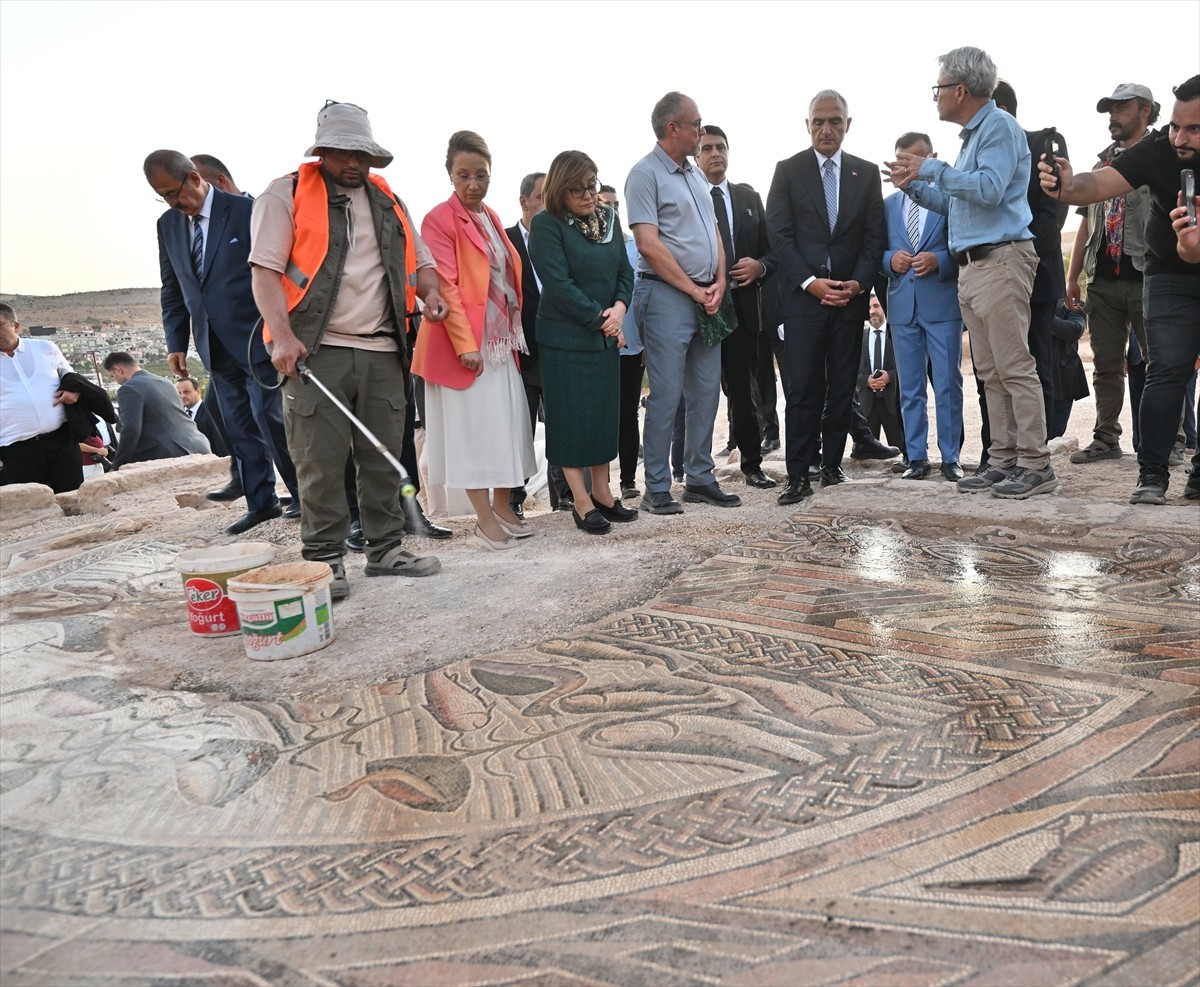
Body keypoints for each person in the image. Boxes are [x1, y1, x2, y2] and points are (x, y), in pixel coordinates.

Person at [250, 100, 444, 598]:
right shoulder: (284, 194)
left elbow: (420, 264)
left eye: (361, 154)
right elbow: (265, 272)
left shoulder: (388, 201)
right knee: (319, 459)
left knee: (382, 456)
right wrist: (283, 336)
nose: (353, 163)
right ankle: (324, 558)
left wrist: (433, 294)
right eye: (341, 152)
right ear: (322, 151)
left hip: (384, 348)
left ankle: (384, 550)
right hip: (317, 350)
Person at [887, 47, 1054, 500]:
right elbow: (960, 203)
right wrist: (917, 188)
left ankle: (1036, 464)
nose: (935, 96)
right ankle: (1002, 461)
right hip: (974, 265)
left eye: (938, 88)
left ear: (960, 90)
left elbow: (988, 189)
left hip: (1001, 259)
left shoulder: (999, 127)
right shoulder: (970, 137)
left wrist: (933, 168)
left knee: (1014, 366)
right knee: (990, 371)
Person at [1041, 75, 1200, 505]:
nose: (1179, 137)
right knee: (1166, 370)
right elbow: (1098, 186)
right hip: (1167, 273)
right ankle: (1151, 475)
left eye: (1193, 129)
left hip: (1188, 255)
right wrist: (1069, 185)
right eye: (1175, 126)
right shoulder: (1157, 151)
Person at [144, 149, 299, 534]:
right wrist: (176, 341)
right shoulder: (168, 225)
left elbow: (278, 273)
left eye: (172, 192)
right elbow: (173, 289)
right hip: (213, 346)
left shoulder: (248, 211)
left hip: (258, 338)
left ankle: (308, 500)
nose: (170, 202)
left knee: (274, 423)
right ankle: (262, 504)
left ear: (195, 179)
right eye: (161, 196)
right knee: (239, 427)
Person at [414, 130, 538, 552]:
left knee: (506, 427)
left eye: (481, 175)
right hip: (463, 346)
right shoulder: (439, 219)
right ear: (449, 174)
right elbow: (445, 285)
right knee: (475, 433)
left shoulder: (490, 217)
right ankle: (483, 520)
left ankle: (503, 508)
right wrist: (466, 344)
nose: (472, 184)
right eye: (463, 175)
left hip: (500, 343)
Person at [767, 88, 885, 504]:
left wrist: (857, 284)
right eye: (818, 121)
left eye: (834, 121)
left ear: (847, 125)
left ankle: (833, 468)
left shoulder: (866, 173)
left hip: (850, 300)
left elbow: (874, 239)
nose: (826, 129)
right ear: (807, 125)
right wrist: (810, 283)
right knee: (802, 390)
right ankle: (797, 476)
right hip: (803, 302)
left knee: (840, 389)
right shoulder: (787, 171)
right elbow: (779, 237)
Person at [626, 92, 739, 515]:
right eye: (696, 124)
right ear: (673, 128)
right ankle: (657, 486)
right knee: (667, 393)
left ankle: (700, 477)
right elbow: (648, 245)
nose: (701, 130)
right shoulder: (644, 175)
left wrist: (720, 281)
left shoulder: (695, 177)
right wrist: (694, 290)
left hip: (708, 295)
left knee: (707, 390)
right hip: (667, 296)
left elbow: (714, 235)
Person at [528, 150, 638, 535]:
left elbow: (626, 270)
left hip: (605, 331)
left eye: (592, 184)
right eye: (578, 189)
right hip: (566, 339)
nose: (589, 194)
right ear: (560, 189)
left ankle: (604, 494)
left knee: (602, 416)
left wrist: (620, 309)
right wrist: (601, 319)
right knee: (572, 420)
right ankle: (581, 500)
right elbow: (558, 286)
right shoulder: (547, 225)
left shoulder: (609, 218)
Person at [1064, 84, 1158, 464]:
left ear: (1146, 111)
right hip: (1102, 281)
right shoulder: (1101, 165)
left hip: (1148, 276)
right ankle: (1106, 438)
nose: (1112, 116)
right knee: (1105, 365)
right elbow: (1085, 223)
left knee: (1159, 364)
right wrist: (1073, 278)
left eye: (1122, 108)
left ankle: (1168, 440)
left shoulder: (1161, 157)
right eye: (1110, 109)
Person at [697, 124, 778, 491]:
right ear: (695, 157)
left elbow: (772, 251)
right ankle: (690, 472)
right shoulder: (688, 197)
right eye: (707, 148)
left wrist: (760, 266)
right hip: (700, 307)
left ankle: (752, 464)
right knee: (697, 391)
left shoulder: (748, 197)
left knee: (744, 393)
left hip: (743, 309)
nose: (716, 153)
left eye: (721, 147)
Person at [881, 131, 964, 481]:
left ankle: (951, 458)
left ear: (931, 157)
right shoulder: (886, 206)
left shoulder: (951, 198)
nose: (905, 166)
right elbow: (874, 250)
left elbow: (965, 246)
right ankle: (915, 456)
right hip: (902, 308)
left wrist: (940, 260)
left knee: (947, 384)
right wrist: (890, 261)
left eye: (912, 159)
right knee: (910, 387)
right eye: (899, 160)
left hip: (942, 304)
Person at [992, 80, 1071, 426]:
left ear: (1002, 111)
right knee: (997, 370)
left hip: (1035, 276)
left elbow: (1052, 216)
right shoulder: (981, 157)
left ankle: (1041, 448)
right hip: (994, 280)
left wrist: (1018, 261)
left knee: (1038, 361)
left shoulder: (1043, 144)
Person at [0, 304, 85, 493]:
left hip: (62, 442)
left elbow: (71, 378)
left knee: (73, 499)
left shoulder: (45, 348)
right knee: (33, 507)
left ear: (16, 326)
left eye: (0, 325)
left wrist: (73, 392)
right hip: (16, 450)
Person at [503, 171, 549, 519]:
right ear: (524, 202)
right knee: (520, 427)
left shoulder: (563, 240)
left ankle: (565, 497)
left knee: (565, 424)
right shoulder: (504, 242)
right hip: (518, 353)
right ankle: (513, 497)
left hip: (559, 348)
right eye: (542, 198)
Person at [599, 184, 646, 501]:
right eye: (607, 204)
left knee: (629, 414)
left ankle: (628, 480)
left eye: (617, 204)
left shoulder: (635, 247)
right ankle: (588, 489)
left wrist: (645, 342)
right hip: (599, 345)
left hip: (631, 347)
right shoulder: (591, 248)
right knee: (598, 414)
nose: (613, 209)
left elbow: (642, 298)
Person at [102, 352, 211, 468]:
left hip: (171, 455)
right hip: (199, 445)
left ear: (118, 369)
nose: (116, 381)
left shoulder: (129, 388)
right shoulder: (166, 382)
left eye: (112, 376)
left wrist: (117, 465)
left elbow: (131, 430)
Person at [855, 293, 907, 466]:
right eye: (869, 308)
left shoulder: (896, 334)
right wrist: (867, 381)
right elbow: (852, 371)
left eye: (876, 306)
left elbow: (907, 366)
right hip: (867, 405)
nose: (872, 311)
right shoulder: (859, 338)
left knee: (899, 453)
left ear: (884, 308)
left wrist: (889, 376)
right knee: (867, 459)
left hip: (892, 403)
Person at [1047, 301, 1089, 440]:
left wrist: (1044, 317)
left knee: (1053, 435)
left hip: (1061, 381)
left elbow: (1075, 330)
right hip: (1032, 378)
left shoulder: (1071, 304)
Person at [175, 377, 229, 457]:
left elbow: (221, 446)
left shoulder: (212, 413)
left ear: (198, 391)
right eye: (179, 393)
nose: (182, 396)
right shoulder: (178, 415)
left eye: (186, 392)